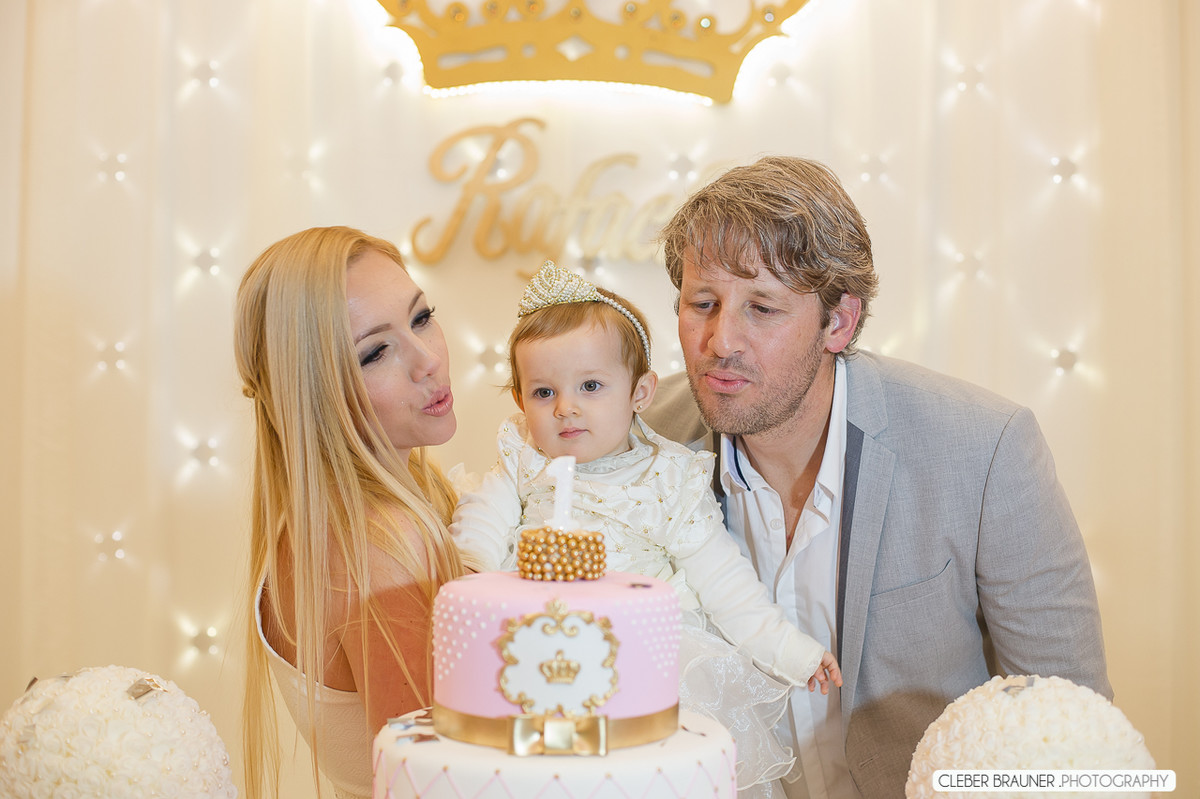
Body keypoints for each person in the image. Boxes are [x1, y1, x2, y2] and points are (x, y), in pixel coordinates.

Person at [643, 155, 1111, 798]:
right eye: (703, 303)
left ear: (839, 322)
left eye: (763, 308)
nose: (721, 340)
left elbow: (1074, 730)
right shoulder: (641, 445)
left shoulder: (985, 450)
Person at [451, 260, 842, 795]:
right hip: (540, 658)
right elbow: (482, 522)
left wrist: (794, 652)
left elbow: (726, 584)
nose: (566, 409)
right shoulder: (523, 461)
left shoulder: (666, 478)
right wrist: (470, 574)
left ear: (639, 393)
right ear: (520, 400)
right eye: (544, 393)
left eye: (591, 386)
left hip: (644, 668)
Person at [234, 226, 466, 799]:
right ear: (314, 389)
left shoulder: (315, 527)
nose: (429, 359)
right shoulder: (378, 543)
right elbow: (434, 786)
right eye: (375, 352)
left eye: (421, 317)